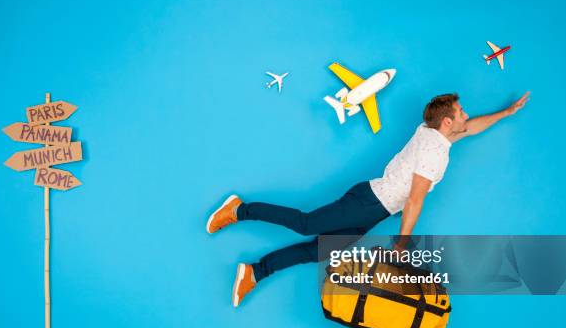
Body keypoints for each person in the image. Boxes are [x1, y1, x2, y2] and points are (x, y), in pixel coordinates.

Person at [206, 92, 530, 307]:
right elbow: (416, 201)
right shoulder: (434, 152)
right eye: (460, 112)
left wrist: (508, 111)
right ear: (447, 122)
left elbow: (471, 128)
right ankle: (239, 209)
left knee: (318, 251)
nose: (465, 115)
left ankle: (255, 272)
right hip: (368, 202)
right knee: (306, 224)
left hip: (375, 210)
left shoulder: (433, 131)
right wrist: (402, 243)